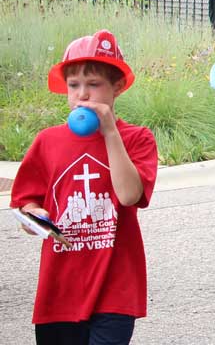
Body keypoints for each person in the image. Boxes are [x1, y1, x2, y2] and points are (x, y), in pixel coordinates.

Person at [9, 29, 158, 344]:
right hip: (60, 288)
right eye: (74, 86)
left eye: (94, 85)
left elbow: (130, 195)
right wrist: (36, 217)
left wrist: (109, 133)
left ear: (117, 87)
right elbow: (26, 205)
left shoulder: (137, 139)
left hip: (115, 287)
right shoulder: (48, 142)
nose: (82, 95)